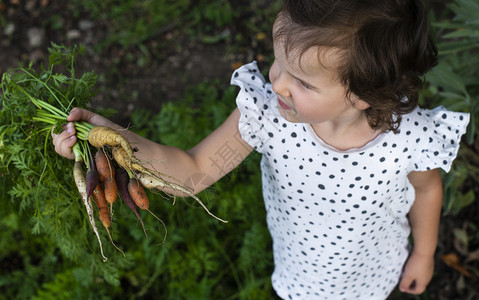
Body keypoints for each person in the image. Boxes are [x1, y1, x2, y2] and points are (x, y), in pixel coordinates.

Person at [52, 0, 470, 299]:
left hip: (377, 274)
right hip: (299, 274)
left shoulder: (409, 137)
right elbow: (193, 171)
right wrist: (110, 135)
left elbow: (428, 191)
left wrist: (424, 253)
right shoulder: (268, 117)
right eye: (277, 62)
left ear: (365, 94)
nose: (277, 83)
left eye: (303, 82)